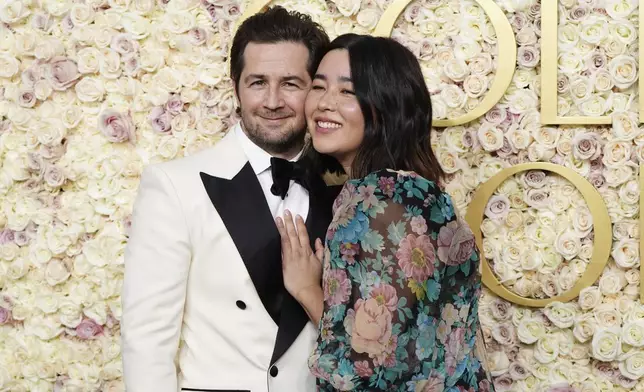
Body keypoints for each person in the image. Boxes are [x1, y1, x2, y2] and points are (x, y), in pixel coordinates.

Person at [121, 7, 341, 392]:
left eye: (291, 83)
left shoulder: (347, 192)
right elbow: (147, 341)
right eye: (258, 82)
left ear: (316, 91)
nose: (272, 101)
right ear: (236, 87)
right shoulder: (175, 185)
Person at [276, 34, 493, 391]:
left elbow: (367, 368)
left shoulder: (382, 199)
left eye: (348, 91)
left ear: (386, 105)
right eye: (318, 87)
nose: (324, 104)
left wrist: (306, 290)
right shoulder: (413, 192)